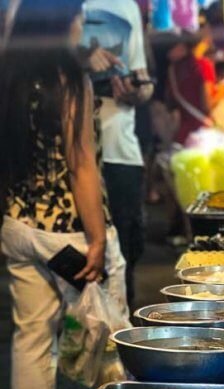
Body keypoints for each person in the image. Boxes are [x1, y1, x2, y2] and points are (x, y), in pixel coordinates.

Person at [0, 0, 127, 389]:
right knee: (109, 328)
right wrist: (97, 238)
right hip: (68, 233)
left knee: (31, 337)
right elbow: (82, 165)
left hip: (18, 226)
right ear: (64, 21)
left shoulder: (9, 75)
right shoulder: (68, 78)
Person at [80, 0, 153, 305]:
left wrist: (136, 90)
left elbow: (143, 79)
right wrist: (78, 57)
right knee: (77, 259)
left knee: (124, 255)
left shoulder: (127, 7)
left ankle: (117, 341)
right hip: (72, 153)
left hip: (120, 150)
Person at [166, 32, 213, 145]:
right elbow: (207, 100)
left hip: (184, 131)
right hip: (201, 127)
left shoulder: (172, 70)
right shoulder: (202, 65)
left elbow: (169, 99)